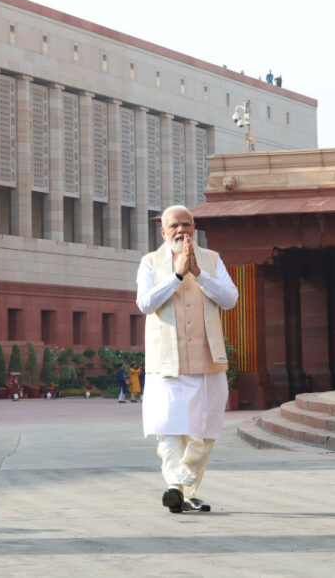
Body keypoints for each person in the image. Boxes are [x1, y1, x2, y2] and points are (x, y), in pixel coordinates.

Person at [136, 204, 238, 514]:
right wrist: (177, 276)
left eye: (187, 225)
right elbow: (145, 303)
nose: (182, 231)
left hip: (208, 361)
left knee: (203, 432)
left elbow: (230, 299)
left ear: (195, 229)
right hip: (166, 362)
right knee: (169, 427)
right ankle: (176, 487)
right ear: (163, 231)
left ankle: (184, 489)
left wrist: (198, 274)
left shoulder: (213, 260)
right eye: (175, 226)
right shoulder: (150, 262)